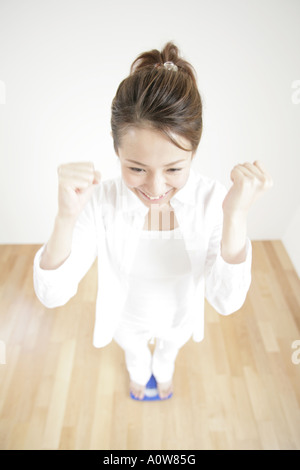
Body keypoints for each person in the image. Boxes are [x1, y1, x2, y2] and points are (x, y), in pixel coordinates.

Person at [33, 42, 273, 400]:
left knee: (168, 353)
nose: (156, 188)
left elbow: (226, 301)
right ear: (117, 153)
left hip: (179, 316)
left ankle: (162, 371)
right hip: (125, 316)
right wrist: (66, 216)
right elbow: (52, 295)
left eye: (174, 168)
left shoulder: (213, 200)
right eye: (137, 168)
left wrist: (235, 216)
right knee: (134, 352)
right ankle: (138, 371)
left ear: (193, 154)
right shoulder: (101, 200)